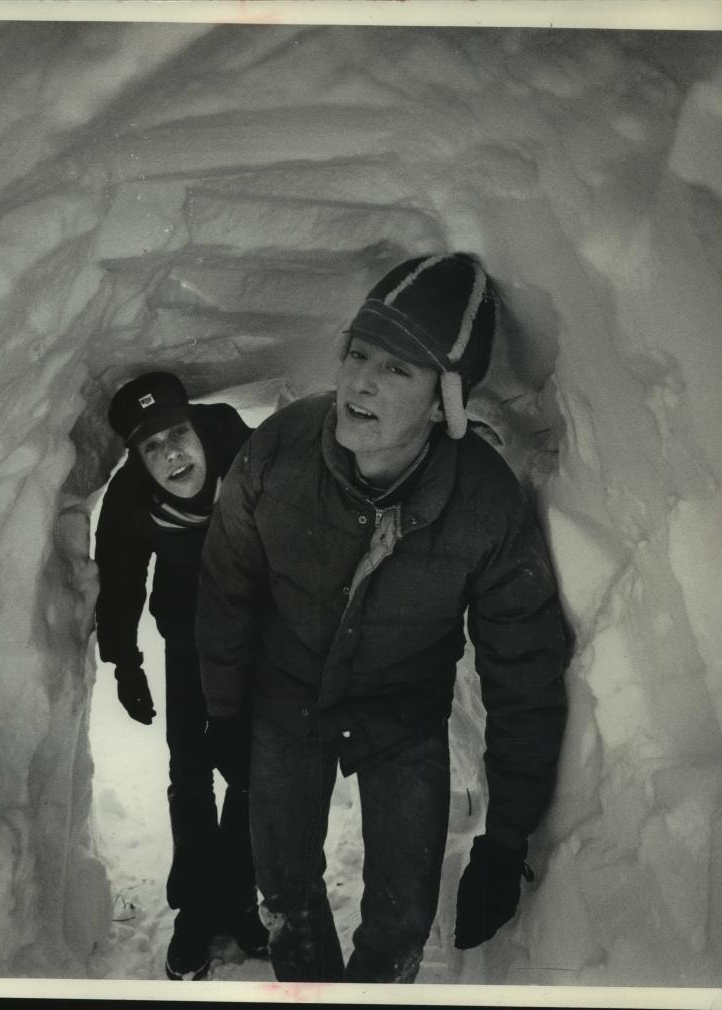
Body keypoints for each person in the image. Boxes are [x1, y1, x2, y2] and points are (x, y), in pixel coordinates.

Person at [196, 253, 569, 983]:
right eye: (359, 353)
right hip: (284, 696)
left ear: (444, 403)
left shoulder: (486, 508)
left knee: (402, 916)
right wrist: (225, 714)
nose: (361, 380)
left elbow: (524, 671)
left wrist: (507, 837)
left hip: (403, 714)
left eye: (399, 370)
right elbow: (224, 586)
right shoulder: (279, 450)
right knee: (287, 902)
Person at [91, 370, 268, 980]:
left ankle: (240, 896)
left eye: (176, 434)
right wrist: (124, 662)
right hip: (188, 636)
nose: (171, 453)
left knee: (249, 769)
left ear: (196, 426)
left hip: (254, 634)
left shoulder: (243, 454)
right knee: (190, 771)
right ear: (137, 459)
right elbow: (119, 581)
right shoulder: (130, 500)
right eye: (151, 446)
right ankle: (196, 907)